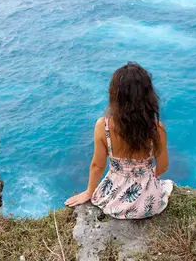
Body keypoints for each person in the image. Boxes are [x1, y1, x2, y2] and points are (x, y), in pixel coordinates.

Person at [65, 62, 173, 219]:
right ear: (148, 95)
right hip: (150, 204)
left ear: (114, 96)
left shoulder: (104, 126)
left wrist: (89, 192)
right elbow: (163, 167)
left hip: (114, 202)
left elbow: (97, 165)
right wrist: (146, 178)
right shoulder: (157, 129)